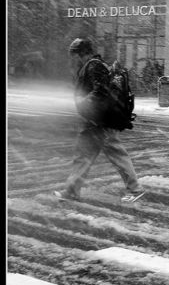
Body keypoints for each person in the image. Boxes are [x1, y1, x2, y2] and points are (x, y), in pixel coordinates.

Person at [54, 37, 145, 203]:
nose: (72, 59)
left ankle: (135, 189)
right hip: (93, 122)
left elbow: (101, 92)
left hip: (101, 122)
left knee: (117, 155)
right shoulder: (91, 66)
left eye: (74, 55)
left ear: (81, 54)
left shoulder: (94, 66)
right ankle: (72, 190)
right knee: (83, 156)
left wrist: (83, 103)